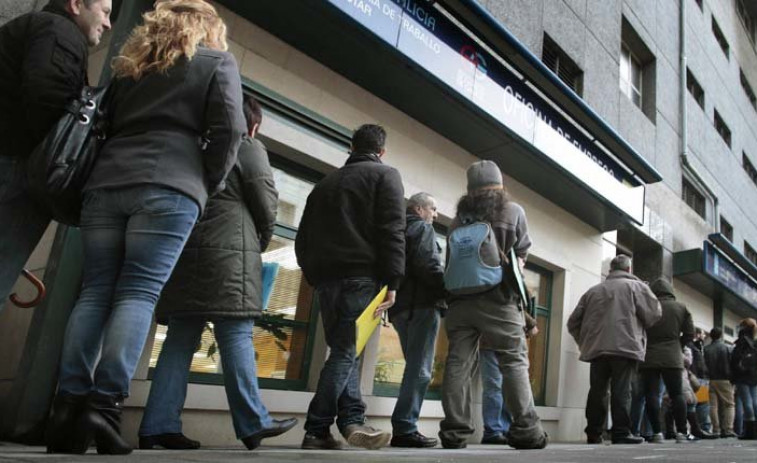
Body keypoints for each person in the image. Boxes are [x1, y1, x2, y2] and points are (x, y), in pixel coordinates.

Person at [46, 0, 245, 455]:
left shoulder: (130, 68)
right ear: (207, 28)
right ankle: (105, 405)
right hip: (171, 186)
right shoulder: (217, 62)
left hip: (105, 184)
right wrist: (206, 182)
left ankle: (66, 407)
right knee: (138, 292)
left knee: (95, 291)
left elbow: (103, 125)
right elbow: (230, 129)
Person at [138, 95, 297, 450]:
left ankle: (157, 426)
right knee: (236, 332)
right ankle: (253, 422)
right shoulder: (246, 144)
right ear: (253, 124)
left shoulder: (193, 145)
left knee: (179, 342)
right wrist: (258, 241)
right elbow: (266, 202)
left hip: (184, 251)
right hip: (230, 255)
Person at [295, 124, 405, 450]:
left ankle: (352, 420)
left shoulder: (324, 185)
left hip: (326, 281)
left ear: (351, 147)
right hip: (361, 277)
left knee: (346, 351)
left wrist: (314, 276)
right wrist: (394, 281)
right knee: (345, 351)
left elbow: (303, 238)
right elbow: (392, 231)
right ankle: (316, 428)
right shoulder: (385, 176)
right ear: (381, 151)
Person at [0, 0, 112, 311]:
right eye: (104, 12)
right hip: (15, 170)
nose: (108, 24)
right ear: (76, 4)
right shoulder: (58, 31)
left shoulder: (36, 28)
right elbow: (49, 101)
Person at [439, 160, 548, 450]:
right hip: (498, 300)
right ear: (500, 186)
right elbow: (521, 251)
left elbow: (449, 262)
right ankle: (526, 430)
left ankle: (454, 432)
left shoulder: (458, 219)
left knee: (457, 364)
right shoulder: (513, 211)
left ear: (469, 189)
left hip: (460, 303)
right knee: (513, 360)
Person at [567, 255, 661, 445]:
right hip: (625, 347)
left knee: (597, 391)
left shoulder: (593, 291)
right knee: (622, 391)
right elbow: (654, 314)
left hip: (598, 349)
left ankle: (593, 433)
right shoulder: (637, 287)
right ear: (628, 270)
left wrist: (584, 341)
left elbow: (572, 322)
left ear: (611, 270)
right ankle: (621, 432)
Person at [387, 192, 445, 448]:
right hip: (422, 305)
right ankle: (405, 428)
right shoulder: (422, 228)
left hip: (399, 308)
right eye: (433, 208)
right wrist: (451, 289)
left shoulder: (397, 228)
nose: (436, 214)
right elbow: (428, 266)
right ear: (419, 208)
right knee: (420, 370)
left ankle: (404, 426)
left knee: (414, 368)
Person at [639, 278, 696, 443]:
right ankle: (682, 433)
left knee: (651, 394)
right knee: (677, 394)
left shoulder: (648, 306)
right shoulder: (681, 307)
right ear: (671, 291)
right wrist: (678, 344)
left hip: (649, 355)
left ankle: (656, 433)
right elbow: (690, 333)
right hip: (673, 356)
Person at [479, 313, 538, 445]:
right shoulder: (502, 294)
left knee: (504, 387)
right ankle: (493, 431)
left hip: (504, 343)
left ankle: (503, 429)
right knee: (494, 387)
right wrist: (531, 323)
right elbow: (511, 306)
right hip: (494, 342)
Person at [704, 327, 738, 438]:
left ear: (711, 336)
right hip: (725, 379)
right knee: (729, 405)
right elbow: (732, 363)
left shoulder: (706, 349)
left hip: (711, 379)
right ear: (721, 335)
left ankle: (716, 429)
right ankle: (728, 429)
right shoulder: (727, 348)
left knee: (713, 406)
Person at [731, 318, 757, 440]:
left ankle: (750, 431)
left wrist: (734, 375)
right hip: (754, 376)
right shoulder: (754, 341)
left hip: (743, 376)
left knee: (747, 402)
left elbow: (735, 359)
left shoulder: (742, 341)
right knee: (755, 402)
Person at [688, 328, 713, 434]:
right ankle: (703, 427)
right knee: (701, 404)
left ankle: (700, 427)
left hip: (697, 377)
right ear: (697, 334)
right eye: (703, 334)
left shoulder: (696, 346)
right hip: (698, 378)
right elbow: (699, 364)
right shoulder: (694, 346)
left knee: (696, 403)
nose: (704, 336)